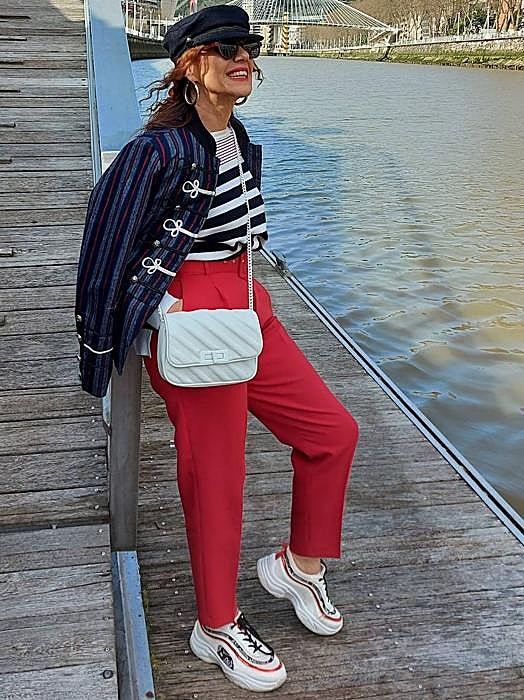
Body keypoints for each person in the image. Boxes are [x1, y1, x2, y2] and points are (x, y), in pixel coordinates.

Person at [75, 5, 358, 693]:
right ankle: (216, 624)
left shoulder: (237, 136)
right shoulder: (157, 152)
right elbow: (105, 243)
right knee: (217, 477)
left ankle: (299, 566)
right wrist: (144, 320)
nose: (243, 57)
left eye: (248, 46)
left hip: (250, 304)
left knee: (331, 432)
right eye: (226, 48)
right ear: (190, 67)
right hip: (195, 318)